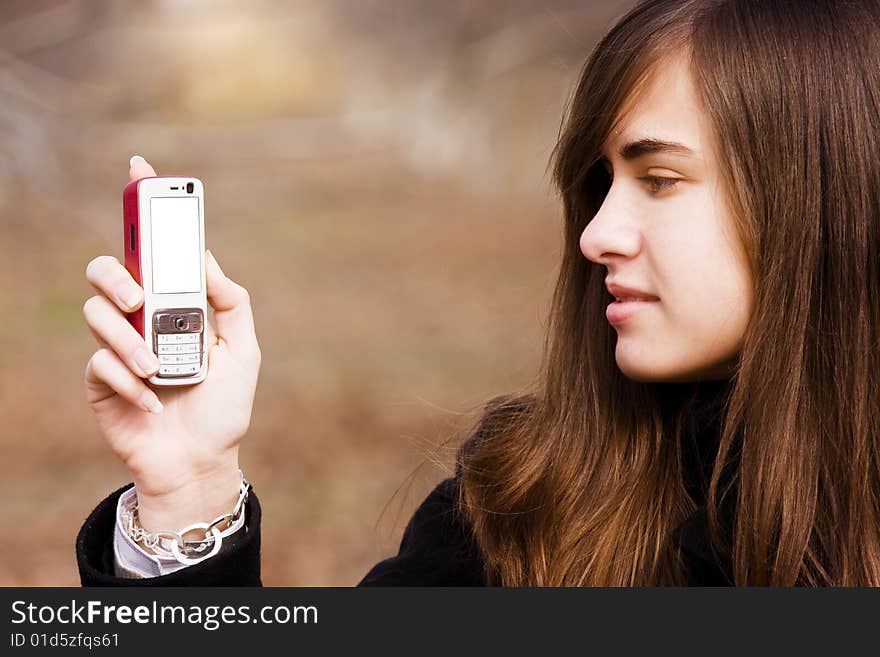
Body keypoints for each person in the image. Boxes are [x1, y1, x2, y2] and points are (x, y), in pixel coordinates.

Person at [77, 0, 880, 586]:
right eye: (600, 183)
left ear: (819, 198)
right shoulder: (520, 510)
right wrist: (189, 497)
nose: (596, 235)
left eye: (659, 179)